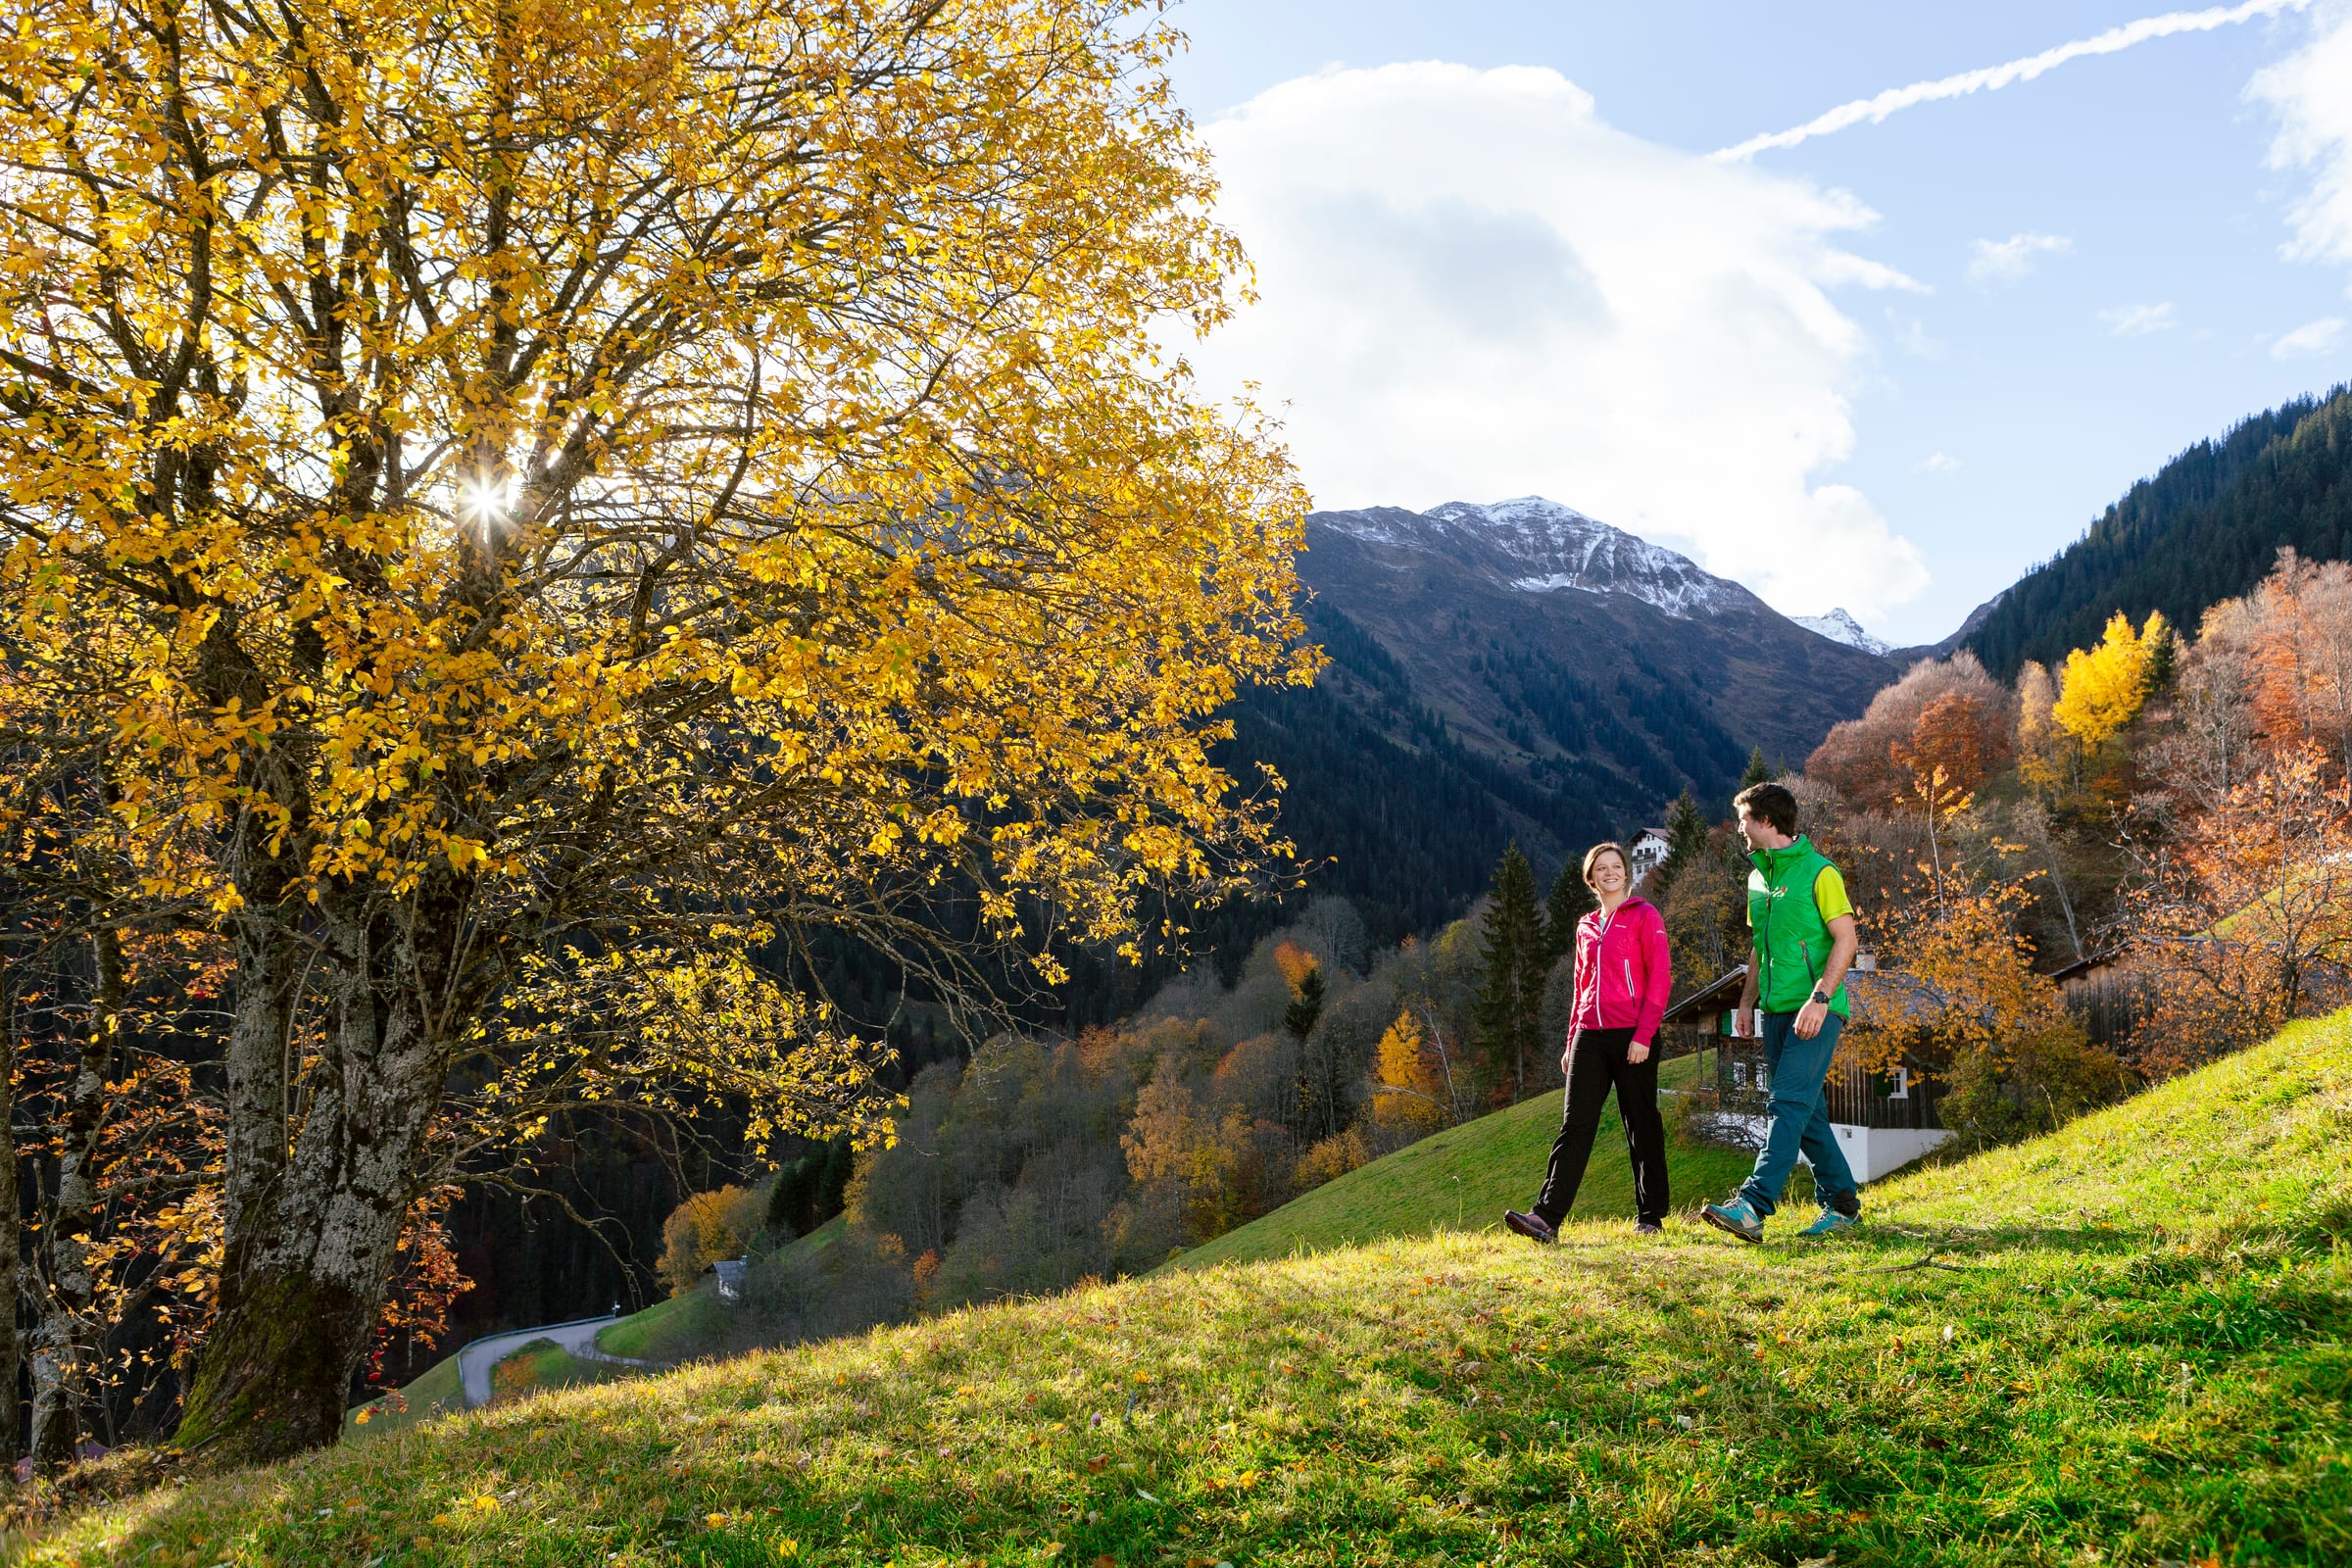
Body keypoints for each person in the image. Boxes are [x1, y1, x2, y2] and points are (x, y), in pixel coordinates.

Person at [1700, 782, 1862, 1244]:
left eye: (1743, 819)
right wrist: (1746, 1002)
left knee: (1786, 1103)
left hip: (1816, 1008)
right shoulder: (1757, 878)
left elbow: (1846, 940)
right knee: (1806, 1115)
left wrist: (1821, 997)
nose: (1739, 829)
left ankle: (1753, 1205)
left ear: (1766, 821)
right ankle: (1843, 1208)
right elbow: (1760, 948)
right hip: (1773, 1010)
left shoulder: (1820, 872)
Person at [1503, 841, 1673, 1243]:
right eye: (1601, 868)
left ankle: (1651, 1215)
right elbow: (1581, 987)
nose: (1609, 872)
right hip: (1588, 1037)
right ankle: (1546, 1218)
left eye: (1616, 866)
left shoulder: (1645, 917)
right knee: (1575, 1124)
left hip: (1634, 1036)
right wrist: (1570, 1042)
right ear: (1591, 878)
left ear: (1626, 874)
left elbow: (1660, 979)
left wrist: (1644, 1035)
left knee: (1641, 1124)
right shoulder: (1586, 925)